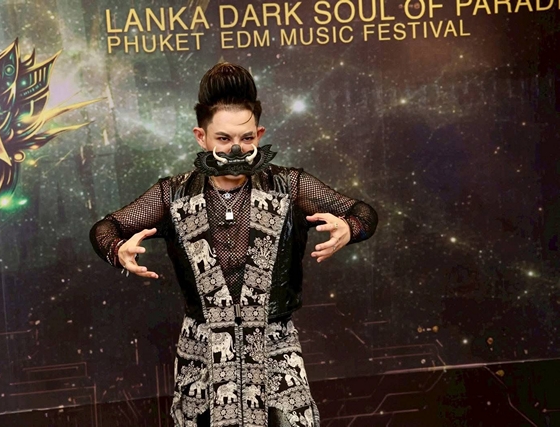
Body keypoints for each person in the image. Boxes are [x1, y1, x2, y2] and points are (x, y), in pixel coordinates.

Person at [90, 62, 378, 427]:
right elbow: (105, 228)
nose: (237, 149)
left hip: (275, 345)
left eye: (246, 138)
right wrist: (117, 250)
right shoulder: (172, 194)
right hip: (202, 349)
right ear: (201, 137)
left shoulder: (290, 185)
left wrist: (350, 228)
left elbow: (364, 213)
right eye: (224, 139)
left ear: (259, 134)